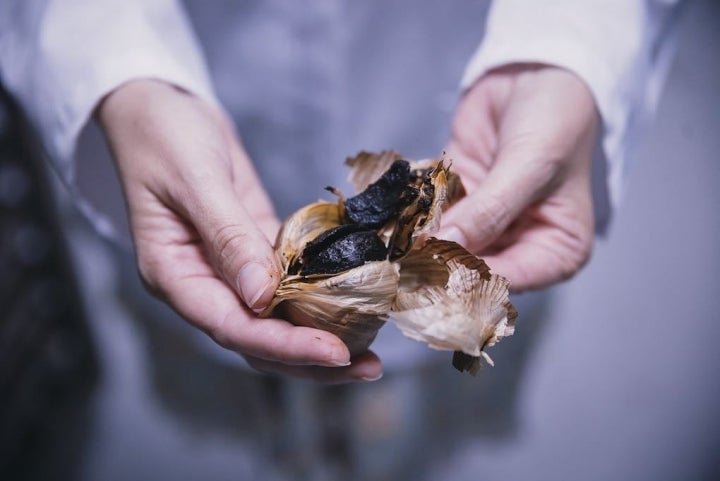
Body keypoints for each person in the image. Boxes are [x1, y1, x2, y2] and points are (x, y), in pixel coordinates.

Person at [0, 0, 679, 383]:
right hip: (185, 121)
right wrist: (121, 73)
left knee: (439, 385)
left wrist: (566, 46)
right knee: (223, 379)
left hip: (471, 117)